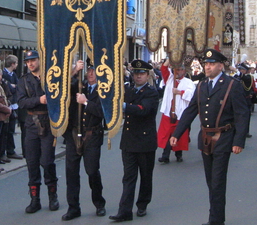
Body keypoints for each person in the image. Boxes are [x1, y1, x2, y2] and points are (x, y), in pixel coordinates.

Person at [170, 49, 250, 225]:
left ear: (221, 66)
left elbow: (242, 115)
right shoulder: (201, 86)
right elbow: (191, 111)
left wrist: (239, 141)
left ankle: (216, 220)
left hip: (224, 138)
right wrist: (177, 133)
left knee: (218, 181)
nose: (208, 67)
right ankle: (215, 216)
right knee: (210, 180)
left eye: (212, 64)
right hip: (205, 139)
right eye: (206, 64)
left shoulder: (231, 85)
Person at [110, 59, 159, 222]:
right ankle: (124, 210)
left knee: (145, 176)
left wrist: (122, 105)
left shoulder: (151, 92)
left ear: (147, 75)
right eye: (136, 73)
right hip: (129, 141)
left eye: (141, 74)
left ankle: (143, 203)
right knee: (128, 177)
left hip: (145, 141)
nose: (138, 76)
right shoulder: (128, 90)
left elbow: (143, 110)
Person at [62, 60, 106, 221]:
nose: (91, 74)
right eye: (88, 70)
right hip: (73, 133)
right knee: (71, 172)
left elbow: (102, 112)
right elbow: (61, 84)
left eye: (94, 71)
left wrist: (86, 102)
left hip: (92, 134)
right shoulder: (79, 85)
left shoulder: (104, 90)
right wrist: (74, 70)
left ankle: (99, 203)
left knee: (92, 170)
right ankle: (73, 207)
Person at [17, 50, 59, 214]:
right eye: (28, 62)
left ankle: (52, 195)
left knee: (47, 161)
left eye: (33, 60)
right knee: (32, 162)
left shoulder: (50, 77)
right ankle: (35, 199)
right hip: (31, 123)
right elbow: (21, 101)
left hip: (48, 122)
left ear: (40, 60)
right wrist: (38, 100)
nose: (30, 64)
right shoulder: (24, 81)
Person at [157, 61, 195, 164]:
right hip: (168, 112)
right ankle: (165, 156)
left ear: (184, 71)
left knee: (179, 134)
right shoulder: (170, 79)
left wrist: (179, 92)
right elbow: (163, 69)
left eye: (180, 69)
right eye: (176, 69)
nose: (178, 72)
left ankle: (179, 155)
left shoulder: (188, 82)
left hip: (180, 113)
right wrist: (171, 57)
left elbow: (191, 95)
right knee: (167, 134)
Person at [1, 55, 22, 160]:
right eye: (17, 63)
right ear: (13, 64)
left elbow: (18, 87)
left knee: (11, 130)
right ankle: (3, 151)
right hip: (6, 105)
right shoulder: (3, 74)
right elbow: (8, 89)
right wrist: (12, 87)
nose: (17, 65)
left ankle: (10, 150)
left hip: (14, 104)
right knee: (5, 130)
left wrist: (14, 87)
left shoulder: (13, 74)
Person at [233, 62, 254, 138]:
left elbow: (244, 79)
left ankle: (245, 132)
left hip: (246, 100)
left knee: (245, 117)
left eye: (241, 69)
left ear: (244, 70)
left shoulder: (249, 77)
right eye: (239, 69)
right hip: (238, 100)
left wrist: (235, 70)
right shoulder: (237, 77)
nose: (240, 71)